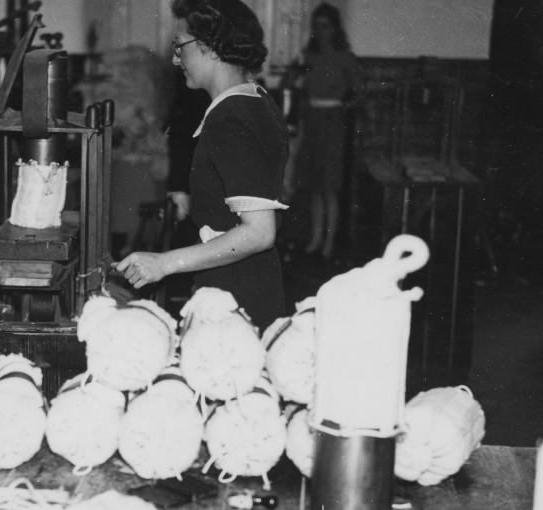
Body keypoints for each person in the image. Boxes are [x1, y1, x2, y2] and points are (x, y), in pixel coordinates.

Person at [116, 0, 289, 329]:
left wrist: (166, 263)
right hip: (249, 287)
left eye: (179, 46)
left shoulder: (230, 118)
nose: (175, 58)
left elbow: (259, 232)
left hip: (235, 299)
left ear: (210, 46)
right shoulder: (256, 101)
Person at [293, 2, 363, 260]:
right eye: (316, 26)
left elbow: (360, 92)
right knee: (313, 186)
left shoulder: (345, 58)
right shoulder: (308, 56)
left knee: (329, 187)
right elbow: (299, 87)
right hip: (311, 123)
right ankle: (315, 238)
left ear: (334, 28)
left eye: (325, 26)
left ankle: (329, 242)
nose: (320, 31)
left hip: (332, 126)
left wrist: (342, 109)